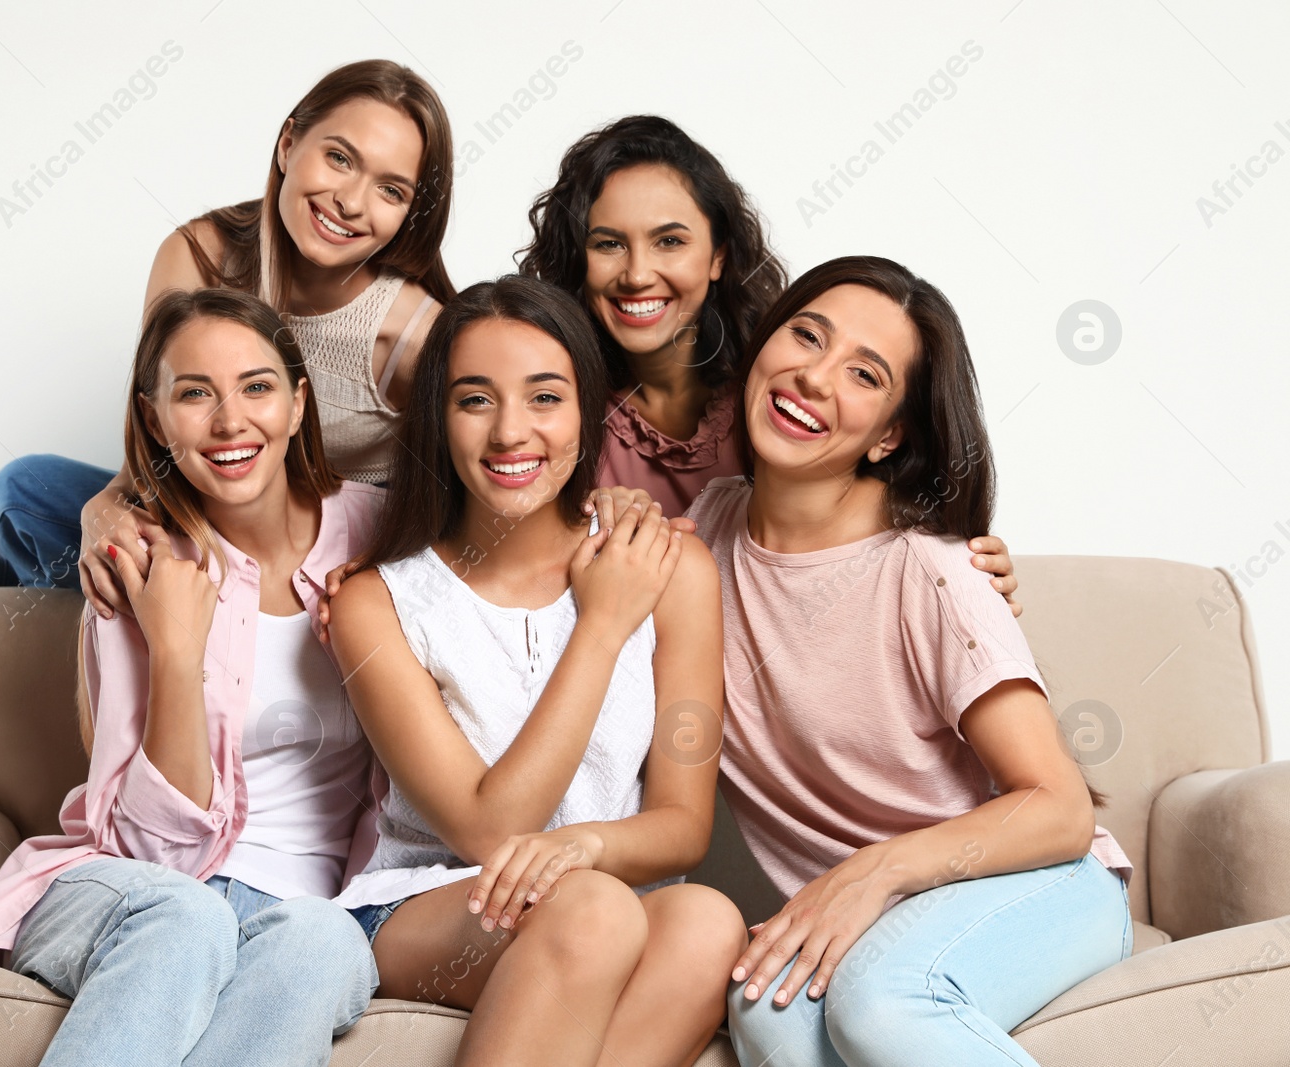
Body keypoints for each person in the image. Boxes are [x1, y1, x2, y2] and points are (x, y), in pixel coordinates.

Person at [0, 288, 387, 1067]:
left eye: (257, 387)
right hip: (131, 887)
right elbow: (147, 851)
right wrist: (173, 648)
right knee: (185, 916)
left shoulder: (378, 532)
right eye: (195, 394)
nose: (231, 421)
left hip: (306, 904)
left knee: (329, 941)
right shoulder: (137, 563)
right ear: (155, 417)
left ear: (300, 404)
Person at [691, 256, 1132, 1067]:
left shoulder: (933, 573)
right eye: (805, 335)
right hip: (867, 909)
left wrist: (878, 871)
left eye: (863, 373)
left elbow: (1060, 806)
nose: (814, 377)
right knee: (766, 1005)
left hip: (1038, 883)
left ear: (891, 433)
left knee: (882, 1002)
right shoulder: (704, 530)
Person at [325, 275, 747, 1067]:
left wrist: (583, 847)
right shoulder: (375, 604)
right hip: (434, 906)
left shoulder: (673, 567)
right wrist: (603, 622)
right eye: (475, 400)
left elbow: (684, 823)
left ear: (588, 410)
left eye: (545, 398)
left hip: (606, 896)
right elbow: (490, 831)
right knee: (590, 909)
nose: (512, 432)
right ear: (439, 419)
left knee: (708, 922)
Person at [0, 59, 453, 614]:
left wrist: (371, 575)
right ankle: (78, 652)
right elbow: (155, 441)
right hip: (200, 515)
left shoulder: (414, 336)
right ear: (289, 143)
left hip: (323, 556)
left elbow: (457, 506)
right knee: (17, 496)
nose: (350, 201)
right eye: (339, 158)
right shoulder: (199, 255)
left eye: (390, 190)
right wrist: (103, 507)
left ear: (410, 213)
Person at [519, 116, 1022, 609]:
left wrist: (963, 575)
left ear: (718, 255)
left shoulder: (786, 393)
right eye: (609, 243)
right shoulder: (549, 411)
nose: (637, 274)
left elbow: (884, 520)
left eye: (669, 241)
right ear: (578, 260)